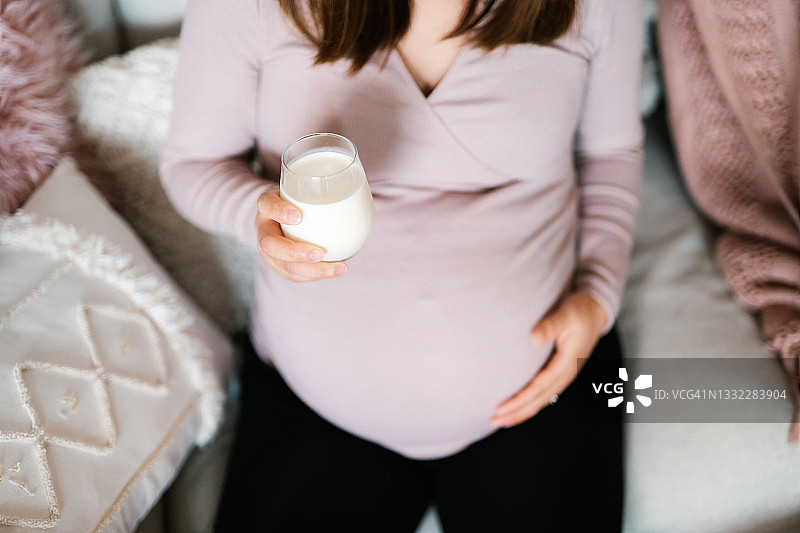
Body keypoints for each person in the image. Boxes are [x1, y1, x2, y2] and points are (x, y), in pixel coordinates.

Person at [160, 0, 643, 531]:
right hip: (313, 401)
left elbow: (613, 152)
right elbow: (193, 164)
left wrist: (598, 297)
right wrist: (254, 214)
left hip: (548, 383)